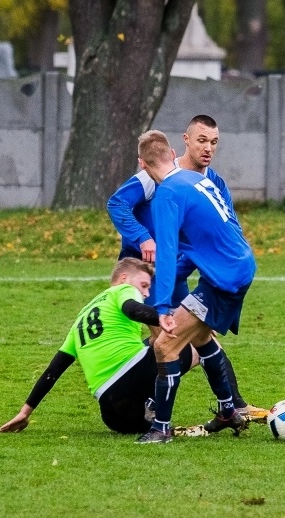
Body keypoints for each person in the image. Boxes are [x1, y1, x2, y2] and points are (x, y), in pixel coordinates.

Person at [106, 115, 267, 422]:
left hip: (176, 270)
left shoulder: (212, 182)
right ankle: (149, 402)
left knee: (193, 337)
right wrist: (144, 238)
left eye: (214, 142)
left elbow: (226, 226)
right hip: (149, 273)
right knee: (167, 340)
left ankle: (232, 405)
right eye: (202, 140)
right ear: (186, 140)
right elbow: (117, 204)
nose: (208, 148)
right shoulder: (157, 173)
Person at [135, 130, 257, 444]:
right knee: (201, 337)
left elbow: (166, 252)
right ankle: (228, 410)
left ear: (143, 165)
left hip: (223, 278)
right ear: (172, 152)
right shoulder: (195, 181)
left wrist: (162, 308)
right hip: (236, 266)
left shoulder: (167, 194)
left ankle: (160, 429)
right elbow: (196, 246)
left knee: (165, 345)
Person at [0, 258, 198, 437]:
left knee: (154, 344)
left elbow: (53, 370)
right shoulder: (123, 290)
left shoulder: (81, 319)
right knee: (195, 345)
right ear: (124, 278)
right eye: (143, 286)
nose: (145, 294)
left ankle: (149, 410)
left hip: (113, 413)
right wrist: (164, 317)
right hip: (129, 379)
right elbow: (132, 309)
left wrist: (25, 413)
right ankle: (228, 408)